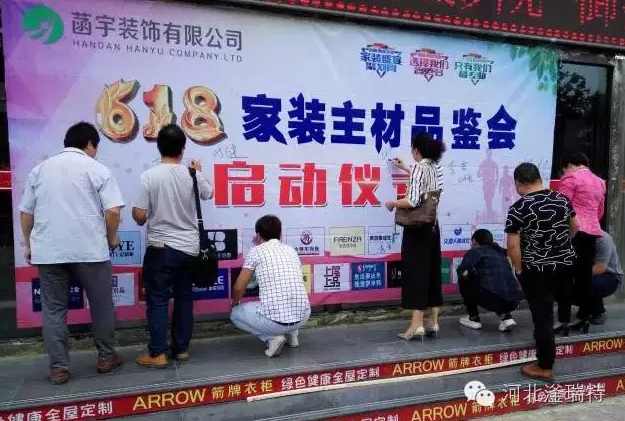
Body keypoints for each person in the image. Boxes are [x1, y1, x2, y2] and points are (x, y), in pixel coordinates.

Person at [18, 122, 125, 385]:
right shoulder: (97, 169)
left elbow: (26, 213)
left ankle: (58, 368)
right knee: (101, 306)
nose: (96, 151)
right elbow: (113, 211)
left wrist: (28, 244)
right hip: (90, 250)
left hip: (49, 251)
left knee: (54, 311)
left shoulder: (40, 170)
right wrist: (111, 238)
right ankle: (106, 357)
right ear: (89, 144)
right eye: (96, 147)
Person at [132, 124, 214, 368]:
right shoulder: (192, 174)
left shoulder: (149, 176)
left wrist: (144, 215)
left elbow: (139, 215)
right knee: (184, 298)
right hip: (189, 249)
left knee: (158, 300)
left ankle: (158, 352)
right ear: (182, 149)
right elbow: (208, 194)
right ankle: (181, 350)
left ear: (159, 147)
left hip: (161, 248)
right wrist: (198, 172)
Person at [506, 163, 579, 381]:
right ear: (539, 179)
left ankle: (545, 365)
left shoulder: (519, 207)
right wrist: (562, 246)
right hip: (566, 266)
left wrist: (519, 269)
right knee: (557, 308)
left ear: (518, 184)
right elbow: (576, 226)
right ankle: (559, 332)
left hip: (538, 270)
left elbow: (513, 246)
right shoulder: (562, 199)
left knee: (543, 317)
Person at [385, 132, 445, 341]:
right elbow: (427, 187)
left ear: (416, 150)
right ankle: (433, 322)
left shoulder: (419, 168)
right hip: (432, 226)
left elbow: (412, 201)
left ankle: (416, 325)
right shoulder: (435, 167)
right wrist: (405, 168)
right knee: (432, 272)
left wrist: (393, 203)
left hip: (417, 228)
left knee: (416, 273)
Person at [231, 215, 311, 357]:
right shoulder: (291, 250)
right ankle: (292, 336)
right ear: (280, 233)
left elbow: (238, 287)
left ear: (257, 235)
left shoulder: (255, 252)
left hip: (275, 322)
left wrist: (235, 302)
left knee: (235, 314)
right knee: (286, 301)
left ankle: (272, 339)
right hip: (304, 316)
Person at [557, 151, 606, 332]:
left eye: (564, 169)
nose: (563, 173)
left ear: (569, 164)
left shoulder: (570, 179)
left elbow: (560, 208)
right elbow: (600, 211)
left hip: (572, 233)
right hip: (592, 232)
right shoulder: (600, 181)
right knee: (585, 278)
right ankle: (583, 317)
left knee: (564, 277)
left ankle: (563, 320)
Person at [457, 229, 520, 332]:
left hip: (492, 299)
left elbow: (462, 271)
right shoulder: (500, 251)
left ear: (474, 242)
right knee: (499, 283)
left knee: (464, 278)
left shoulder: (475, 251)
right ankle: (506, 317)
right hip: (515, 300)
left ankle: (473, 318)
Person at [589, 230, 623, 325]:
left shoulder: (602, 238)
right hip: (588, 272)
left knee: (589, 283)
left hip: (610, 275)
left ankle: (598, 312)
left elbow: (600, 268)